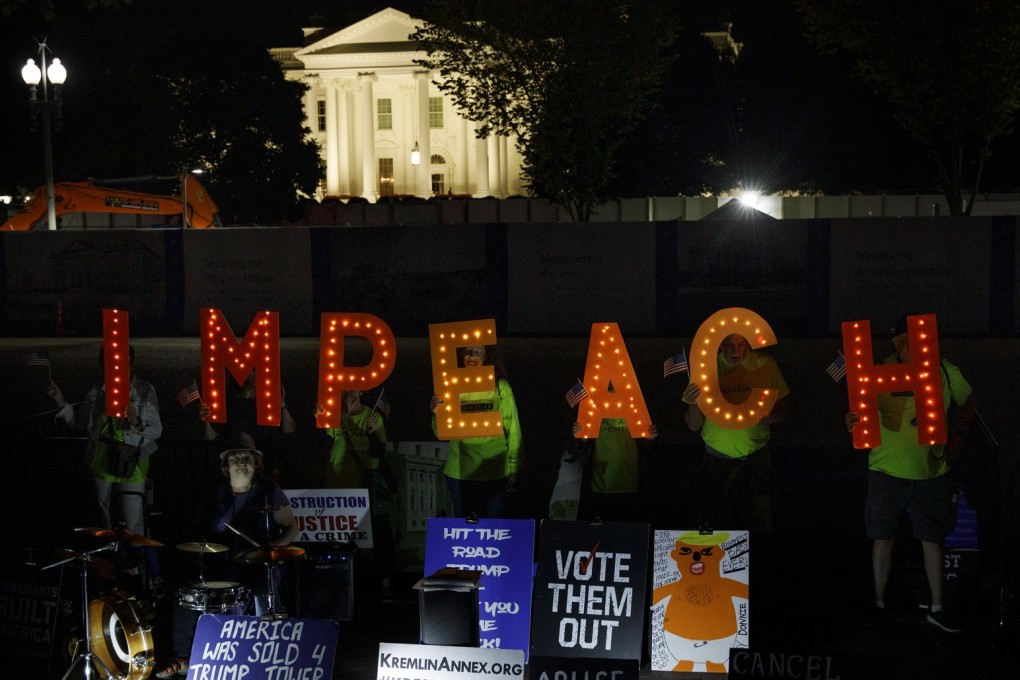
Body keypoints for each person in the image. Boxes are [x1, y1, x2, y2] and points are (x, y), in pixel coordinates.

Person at [846, 316, 976, 633]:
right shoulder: (878, 369)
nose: (912, 346)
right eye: (906, 340)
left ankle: (937, 608)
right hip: (885, 469)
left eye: (918, 339)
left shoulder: (944, 369)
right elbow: (860, 413)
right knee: (882, 538)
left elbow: (967, 402)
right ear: (898, 343)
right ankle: (878, 604)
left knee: (932, 540)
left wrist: (958, 435)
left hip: (931, 470)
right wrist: (853, 423)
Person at [156, 444, 298, 678]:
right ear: (226, 466)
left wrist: (275, 549)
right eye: (235, 458)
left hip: (257, 563)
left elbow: (292, 526)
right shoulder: (214, 491)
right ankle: (185, 657)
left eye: (247, 458)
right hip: (218, 562)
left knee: (265, 586)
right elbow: (199, 528)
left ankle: (263, 653)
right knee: (186, 592)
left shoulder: (269, 491)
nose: (241, 462)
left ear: (255, 464)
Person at [47, 345, 164, 589]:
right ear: (103, 365)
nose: (119, 367)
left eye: (125, 362)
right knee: (108, 525)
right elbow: (80, 423)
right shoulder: (95, 393)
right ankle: (119, 574)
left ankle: (146, 578)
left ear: (132, 364)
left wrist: (135, 421)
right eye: (111, 362)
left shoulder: (143, 390)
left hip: (132, 465)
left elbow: (156, 430)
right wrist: (61, 401)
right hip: (100, 465)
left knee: (134, 525)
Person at [681, 333, 789, 533]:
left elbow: (783, 409)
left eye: (741, 344)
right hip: (716, 461)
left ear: (749, 343)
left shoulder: (765, 364)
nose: (735, 351)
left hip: (756, 457)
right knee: (714, 525)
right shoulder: (706, 368)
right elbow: (693, 425)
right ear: (719, 345)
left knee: (758, 523)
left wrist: (774, 416)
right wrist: (693, 402)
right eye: (728, 344)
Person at [320, 389, 398, 600]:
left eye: (352, 390)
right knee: (340, 540)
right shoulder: (334, 414)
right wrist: (320, 423)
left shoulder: (374, 416)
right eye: (343, 389)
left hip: (367, 489)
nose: (347, 393)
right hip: (338, 486)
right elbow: (323, 446)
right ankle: (343, 587)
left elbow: (379, 454)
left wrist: (372, 432)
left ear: (361, 391)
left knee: (379, 535)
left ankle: (385, 584)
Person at [429, 345, 522, 519]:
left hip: (494, 472)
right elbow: (439, 432)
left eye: (477, 352)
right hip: (459, 473)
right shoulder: (451, 385)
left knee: (492, 528)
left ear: (487, 356)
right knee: (466, 529)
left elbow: (513, 429)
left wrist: (514, 467)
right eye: (467, 351)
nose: (472, 356)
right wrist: (435, 414)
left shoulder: (500, 387)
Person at [200, 372, 296, 481]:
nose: (250, 375)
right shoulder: (228, 403)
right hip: (235, 466)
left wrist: (282, 404)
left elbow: (290, 429)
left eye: (253, 371)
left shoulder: (267, 402)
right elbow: (211, 438)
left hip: (265, 466)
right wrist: (206, 420)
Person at [570, 418, 658, 522]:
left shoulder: (636, 405)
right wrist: (580, 436)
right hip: (598, 484)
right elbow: (579, 447)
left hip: (630, 484)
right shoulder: (591, 404)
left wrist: (650, 437)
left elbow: (650, 446)